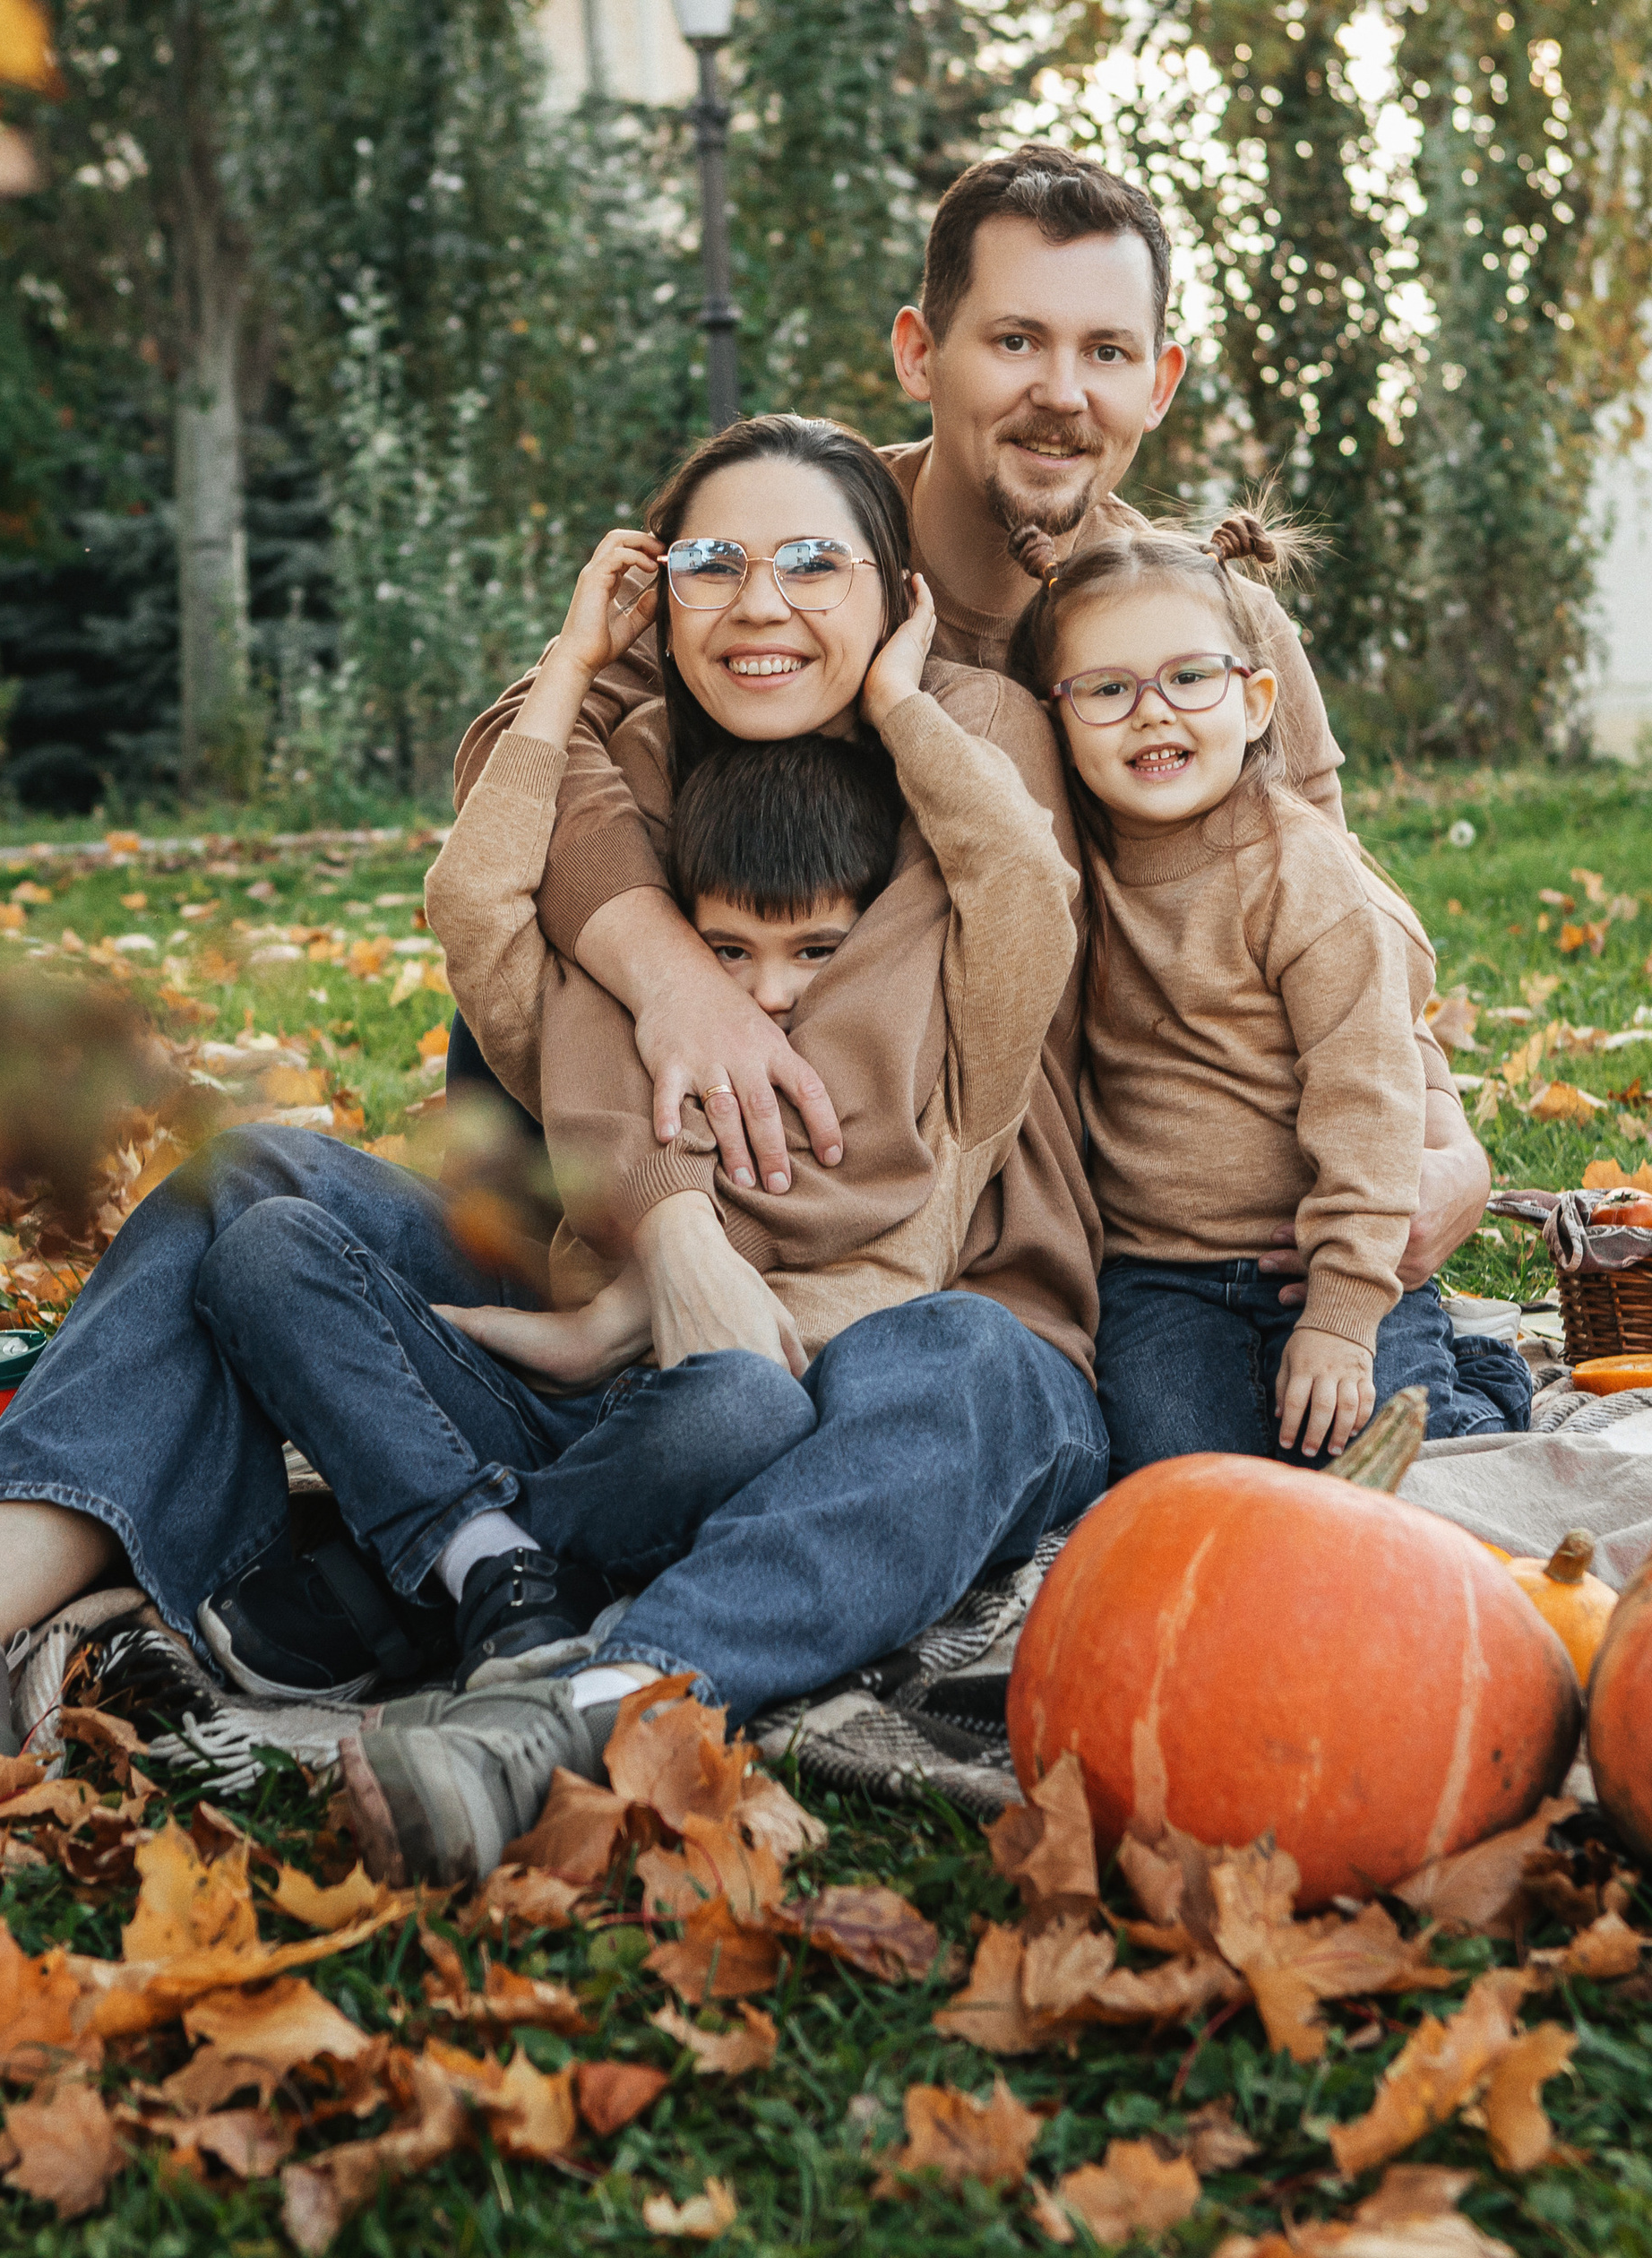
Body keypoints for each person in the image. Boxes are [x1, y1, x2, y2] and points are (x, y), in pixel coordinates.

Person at [445, 142, 1492, 1322]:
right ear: (917, 353)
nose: (1061, 390)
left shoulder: (1198, 630)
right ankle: (563, 1279)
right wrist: (672, 973)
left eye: (1106, 352)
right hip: (738, 1091)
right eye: (1014, 341)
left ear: (1160, 382)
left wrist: (1452, 1150)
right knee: (549, 905)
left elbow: (1327, 918)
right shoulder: (796, 549)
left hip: (1032, 1148)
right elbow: (515, 746)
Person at [339, 417, 1100, 1886]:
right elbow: (486, 898)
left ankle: (588, 1710)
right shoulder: (619, 917)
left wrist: (897, 698)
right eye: (716, 565)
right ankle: (498, 1607)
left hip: (920, 1354)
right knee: (259, 1207)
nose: (772, 988)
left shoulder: (955, 938)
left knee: (954, 1372)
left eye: (817, 565)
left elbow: (1021, 886)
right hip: (693, 1397)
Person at [1008, 513, 1507, 1472]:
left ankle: (1475, 1386)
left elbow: (1367, 1087)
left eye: (1190, 678)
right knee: (1180, 1470)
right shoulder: (1083, 864)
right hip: (1161, 1273)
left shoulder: (1300, 874)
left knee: (1381, 1465)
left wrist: (1344, 1309)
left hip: (1333, 1251)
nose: (1153, 711)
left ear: (1256, 700)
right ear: (1056, 717)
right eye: (1107, 690)